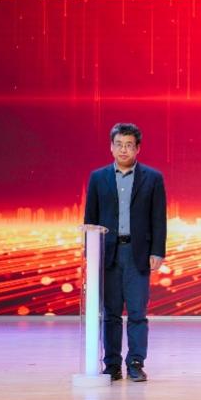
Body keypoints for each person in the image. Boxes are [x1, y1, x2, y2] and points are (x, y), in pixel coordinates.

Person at [84, 122, 167, 382]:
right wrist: (90, 254)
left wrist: (157, 251)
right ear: (111, 147)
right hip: (107, 254)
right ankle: (111, 364)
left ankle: (135, 363)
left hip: (137, 253)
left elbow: (158, 219)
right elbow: (90, 218)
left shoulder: (153, 178)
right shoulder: (98, 178)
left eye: (129, 145)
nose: (123, 149)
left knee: (137, 313)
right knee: (110, 313)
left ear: (137, 148)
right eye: (119, 144)